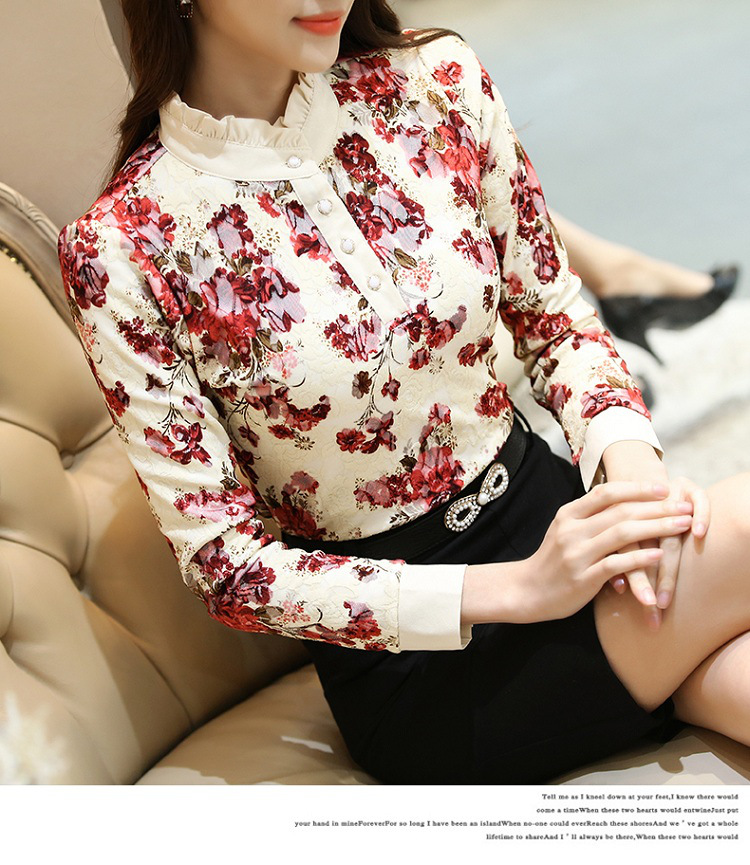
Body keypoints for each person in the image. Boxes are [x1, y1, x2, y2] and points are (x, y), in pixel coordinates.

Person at [57, 0, 750, 784]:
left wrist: (636, 489)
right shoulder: (121, 248)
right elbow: (229, 567)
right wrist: (521, 587)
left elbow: (554, 319)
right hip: (424, 666)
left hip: (557, 516)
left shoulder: (436, 80)